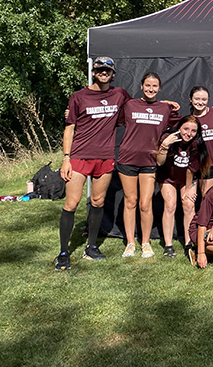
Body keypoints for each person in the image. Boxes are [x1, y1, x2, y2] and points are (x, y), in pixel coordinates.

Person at [55, 57, 131, 270]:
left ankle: (91, 247)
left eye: (107, 70)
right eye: (99, 70)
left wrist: (165, 106)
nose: (103, 73)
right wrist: (66, 159)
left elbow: (137, 108)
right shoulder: (79, 96)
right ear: (93, 72)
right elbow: (69, 128)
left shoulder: (120, 95)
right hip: (79, 156)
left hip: (105, 157)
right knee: (72, 203)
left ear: (113, 74)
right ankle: (63, 253)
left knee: (98, 201)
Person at [116, 72, 180, 259]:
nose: (151, 89)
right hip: (127, 159)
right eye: (147, 86)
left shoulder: (165, 109)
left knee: (146, 204)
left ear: (159, 88)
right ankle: (129, 243)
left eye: (154, 86)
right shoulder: (129, 105)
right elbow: (112, 120)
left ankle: (145, 242)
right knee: (130, 201)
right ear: (142, 86)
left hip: (150, 161)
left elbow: (186, 124)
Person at [156, 115, 210, 258]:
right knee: (170, 205)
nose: (189, 133)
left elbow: (191, 170)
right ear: (179, 127)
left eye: (193, 131)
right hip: (167, 176)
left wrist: (187, 189)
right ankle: (168, 246)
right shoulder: (169, 138)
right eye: (186, 129)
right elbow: (160, 162)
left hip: (186, 177)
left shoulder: (196, 144)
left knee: (188, 204)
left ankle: (188, 243)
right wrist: (165, 145)